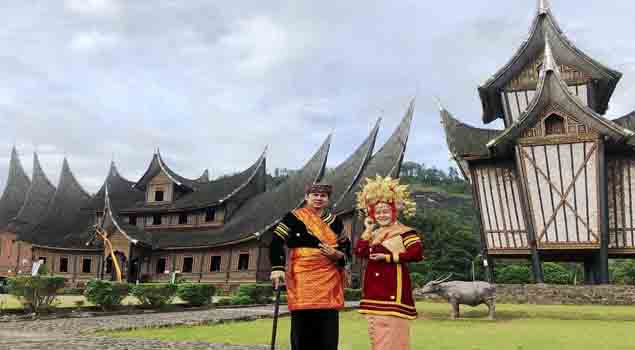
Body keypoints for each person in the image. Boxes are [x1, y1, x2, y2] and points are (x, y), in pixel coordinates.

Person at [269, 183, 351, 350]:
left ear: (328, 199)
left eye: (323, 196)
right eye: (315, 195)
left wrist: (337, 255)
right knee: (302, 324)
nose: (319, 198)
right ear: (306, 197)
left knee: (327, 326)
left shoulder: (336, 222)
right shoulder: (293, 217)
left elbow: (346, 247)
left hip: (329, 278)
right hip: (302, 277)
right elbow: (276, 241)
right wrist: (278, 268)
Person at [354, 175, 423, 350]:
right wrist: (368, 229)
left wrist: (388, 258)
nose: (382, 215)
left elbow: (416, 253)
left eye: (385, 211)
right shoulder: (374, 234)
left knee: (393, 328)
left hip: (394, 288)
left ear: (394, 211)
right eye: (378, 212)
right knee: (376, 329)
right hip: (373, 290)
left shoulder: (405, 232)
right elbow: (360, 252)